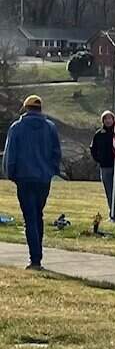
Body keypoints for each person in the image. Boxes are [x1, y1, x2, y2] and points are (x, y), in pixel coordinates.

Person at [5, 95, 61, 269]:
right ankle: (38, 255)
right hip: (43, 178)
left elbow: (10, 156)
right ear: (40, 109)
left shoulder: (17, 128)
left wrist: (11, 174)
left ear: (26, 108)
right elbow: (56, 153)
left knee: (30, 217)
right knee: (38, 214)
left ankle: (35, 259)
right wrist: (51, 171)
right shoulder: (50, 128)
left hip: (24, 178)